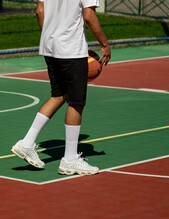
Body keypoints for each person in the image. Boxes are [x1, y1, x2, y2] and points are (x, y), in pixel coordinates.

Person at [11, 0, 111, 175]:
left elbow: (39, 11)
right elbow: (89, 15)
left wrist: (52, 37)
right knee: (76, 102)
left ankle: (27, 143)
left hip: (50, 46)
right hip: (70, 49)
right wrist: (104, 44)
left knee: (59, 95)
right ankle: (70, 159)